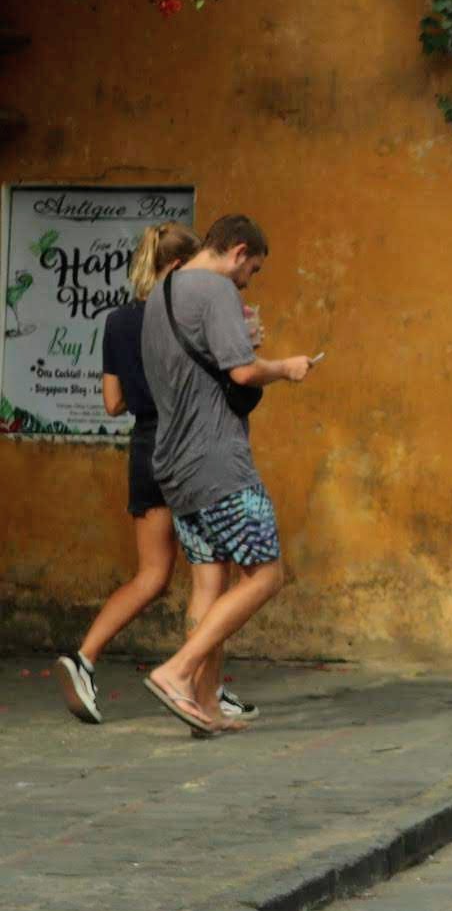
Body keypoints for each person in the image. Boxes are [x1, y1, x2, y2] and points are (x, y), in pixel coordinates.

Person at [139, 214, 316, 735]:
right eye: (252, 270)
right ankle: (177, 672)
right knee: (265, 575)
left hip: (173, 464)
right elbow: (241, 372)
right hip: (219, 463)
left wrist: (242, 336)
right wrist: (286, 367)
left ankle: (205, 706)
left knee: (209, 584)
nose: (248, 281)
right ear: (238, 252)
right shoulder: (214, 290)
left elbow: (202, 366)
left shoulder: (160, 295)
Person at [55, 222, 204, 724]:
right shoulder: (187, 316)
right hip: (188, 446)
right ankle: (202, 689)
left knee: (153, 575)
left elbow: (113, 402)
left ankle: (84, 657)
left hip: (144, 448)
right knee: (213, 573)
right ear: (179, 267)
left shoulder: (118, 320)